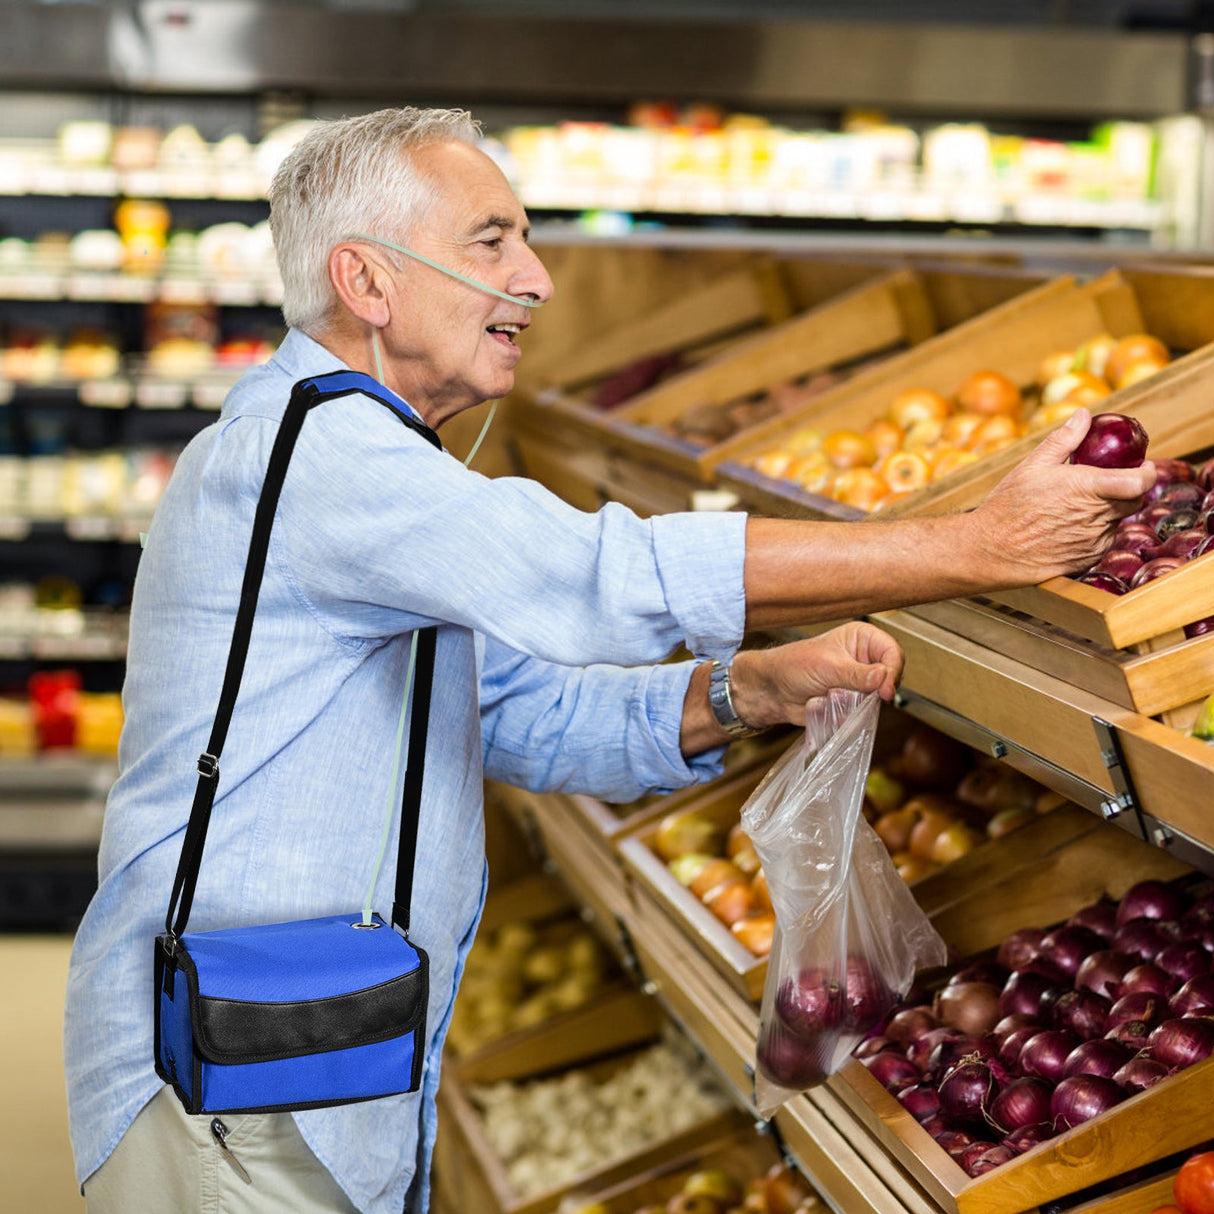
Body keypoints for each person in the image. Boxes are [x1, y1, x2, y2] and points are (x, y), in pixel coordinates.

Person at [64, 107, 1153, 1214]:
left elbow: (519, 716)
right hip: (239, 1079)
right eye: (492, 240)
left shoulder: (367, 458)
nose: (536, 278)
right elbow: (596, 576)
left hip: (310, 1053)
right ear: (367, 280)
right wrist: (975, 546)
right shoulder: (323, 455)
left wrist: (742, 688)